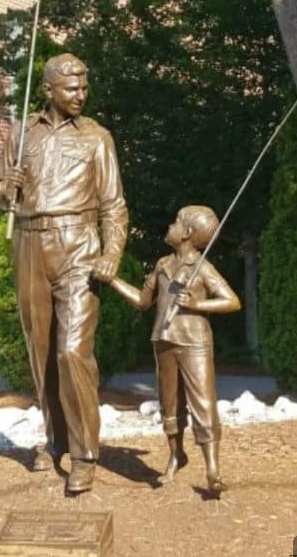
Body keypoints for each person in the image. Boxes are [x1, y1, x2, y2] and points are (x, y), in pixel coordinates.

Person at [0, 53, 128, 493]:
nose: (80, 95)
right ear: (49, 89)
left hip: (78, 245)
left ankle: (86, 454)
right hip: (30, 243)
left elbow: (114, 205)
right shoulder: (20, 133)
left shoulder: (97, 138)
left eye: (84, 87)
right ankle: (56, 440)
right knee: (42, 351)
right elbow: (0, 193)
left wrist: (112, 252)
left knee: (72, 351)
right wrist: (4, 188)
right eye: (71, 88)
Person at [98, 205, 240, 494]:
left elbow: (232, 301)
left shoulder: (203, 268)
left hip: (195, 342)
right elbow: (142, 300)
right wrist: (112, 280)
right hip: (163, 340)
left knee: (203, 403)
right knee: (169, 404)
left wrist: (198, 304)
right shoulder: (163, 266)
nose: (170, 225)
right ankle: (176, 455)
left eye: (176, 222)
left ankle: (212, 470)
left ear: (187, 233)